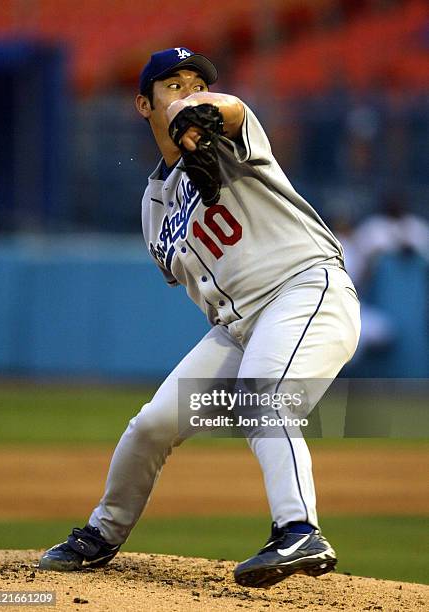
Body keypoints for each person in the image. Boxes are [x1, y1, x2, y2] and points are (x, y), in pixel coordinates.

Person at [39, 47, 361, 588]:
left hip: (305, 291)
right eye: (173, 84)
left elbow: (230, 108)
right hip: (238, 325)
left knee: (263, 400)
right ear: (144, 105)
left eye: (197, 80)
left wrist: (204, 114)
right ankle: (101, 534)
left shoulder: (229, 134)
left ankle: (299, 529)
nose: (189, 89)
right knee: (152, 424)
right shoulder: (153, 207)